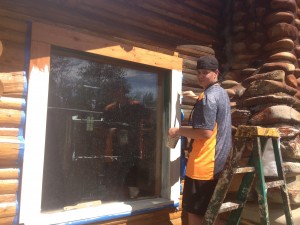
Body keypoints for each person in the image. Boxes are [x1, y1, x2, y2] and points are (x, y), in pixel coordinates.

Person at [168, 55, 232, 225]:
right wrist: (196, 97)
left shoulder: (207, 98)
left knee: (195, 213)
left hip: (203, 166)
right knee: (211, 211)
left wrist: (177, 130)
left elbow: (204, 133)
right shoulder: (221, 94)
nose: (201, 76)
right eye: (198, 73)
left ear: (216, 73)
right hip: (216, 164)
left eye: (205, 72)